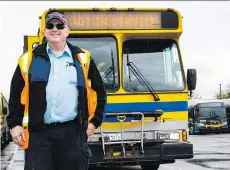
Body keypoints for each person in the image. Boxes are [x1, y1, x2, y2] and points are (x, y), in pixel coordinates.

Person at [7, 10, 106, 170]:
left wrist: (94, 122)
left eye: (60, 25)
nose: (55, 29)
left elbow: (100, 93)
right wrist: (14, 124)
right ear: (44, 31)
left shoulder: (83, 59)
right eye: (50, 25)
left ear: (67, 31)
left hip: (72, 135)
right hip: (39, 136)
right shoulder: (28, 60)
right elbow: (15, 96)